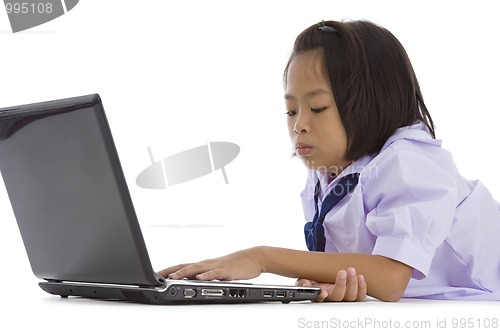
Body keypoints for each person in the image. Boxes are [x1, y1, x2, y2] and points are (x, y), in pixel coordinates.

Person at [158, 19, 500, 302]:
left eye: (317, 108)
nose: (299, 124)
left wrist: (262, 257)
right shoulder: (328, 176)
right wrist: (325, 278)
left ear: (372, 102)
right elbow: (359, 271)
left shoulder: (410, 162)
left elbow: (391, 277)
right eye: (291, 110)